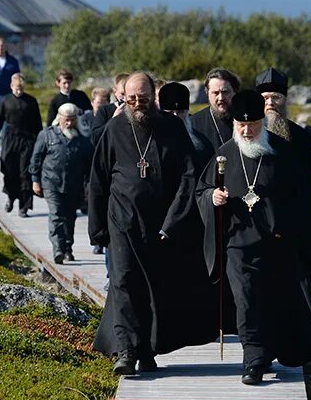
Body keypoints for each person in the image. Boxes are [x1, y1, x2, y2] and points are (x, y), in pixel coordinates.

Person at [196, 89, 311, 385]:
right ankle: (253, 360)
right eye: (241, 125)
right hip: (237, 245)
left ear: (262, 122)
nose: (246, 131)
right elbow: (201, 191)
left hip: (277, 244)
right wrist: (213, 197)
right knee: (245, 300)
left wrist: (291, 231)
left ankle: (273, 352)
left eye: (253, 125)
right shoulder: (223, 155)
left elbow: (301, 200)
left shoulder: (281, 154)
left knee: (274, 302)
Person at [87, 72, 217, 375]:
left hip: (161, 225)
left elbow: (188, 179)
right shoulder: (115, 128)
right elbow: (98, 180)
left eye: (142, 98)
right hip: (122, 221)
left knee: (156, 288)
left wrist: (173, 222)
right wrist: (98, 228)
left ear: (153, 97)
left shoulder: (171, 128)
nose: (136, 104)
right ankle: (126, 350)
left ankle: (147, 348)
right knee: (123, 283)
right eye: (131, 99)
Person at [31, 103, 94, 262]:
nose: (69, 123)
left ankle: (68, 248)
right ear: (60, 119)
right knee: (56, 215)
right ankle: (58, 249)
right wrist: (35, 181)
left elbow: (89, 167)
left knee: (70, 217)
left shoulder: (83, 141)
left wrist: (88, 187)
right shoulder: (47, 135)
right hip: (51, 183)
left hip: (74, 185)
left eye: (72, 120)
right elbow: (36, 159)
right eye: (67, 120)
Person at [0, 73, 42, 216]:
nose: (19, 91)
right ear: (11, 86)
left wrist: (40, 144)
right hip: (10, 140)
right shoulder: (5, 101)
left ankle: (24, 206)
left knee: (25, 173)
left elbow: (37, 125)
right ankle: (11, 197)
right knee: (9, 171)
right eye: (17, 88)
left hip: (27, 141)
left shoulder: (31, 101)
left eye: (21, 88)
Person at [255, 67, 311, 170]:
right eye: (265, 98)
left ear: (285, 101)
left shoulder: (302, 137)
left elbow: (308, 179)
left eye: (276, 97)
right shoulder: (249, 133)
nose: (270, 103)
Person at [158, 81, 214, 176]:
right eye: (171, 112)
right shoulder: (151, 142)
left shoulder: (202, 144)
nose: (176, 116)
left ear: (187, 112)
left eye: (180, 112)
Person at [190, 67, 240, 151]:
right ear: (207, 93)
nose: (221, 98)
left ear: (235, 92)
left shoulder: (247, 121)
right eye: (215, 93)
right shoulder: (193, 124)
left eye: (225, 92)